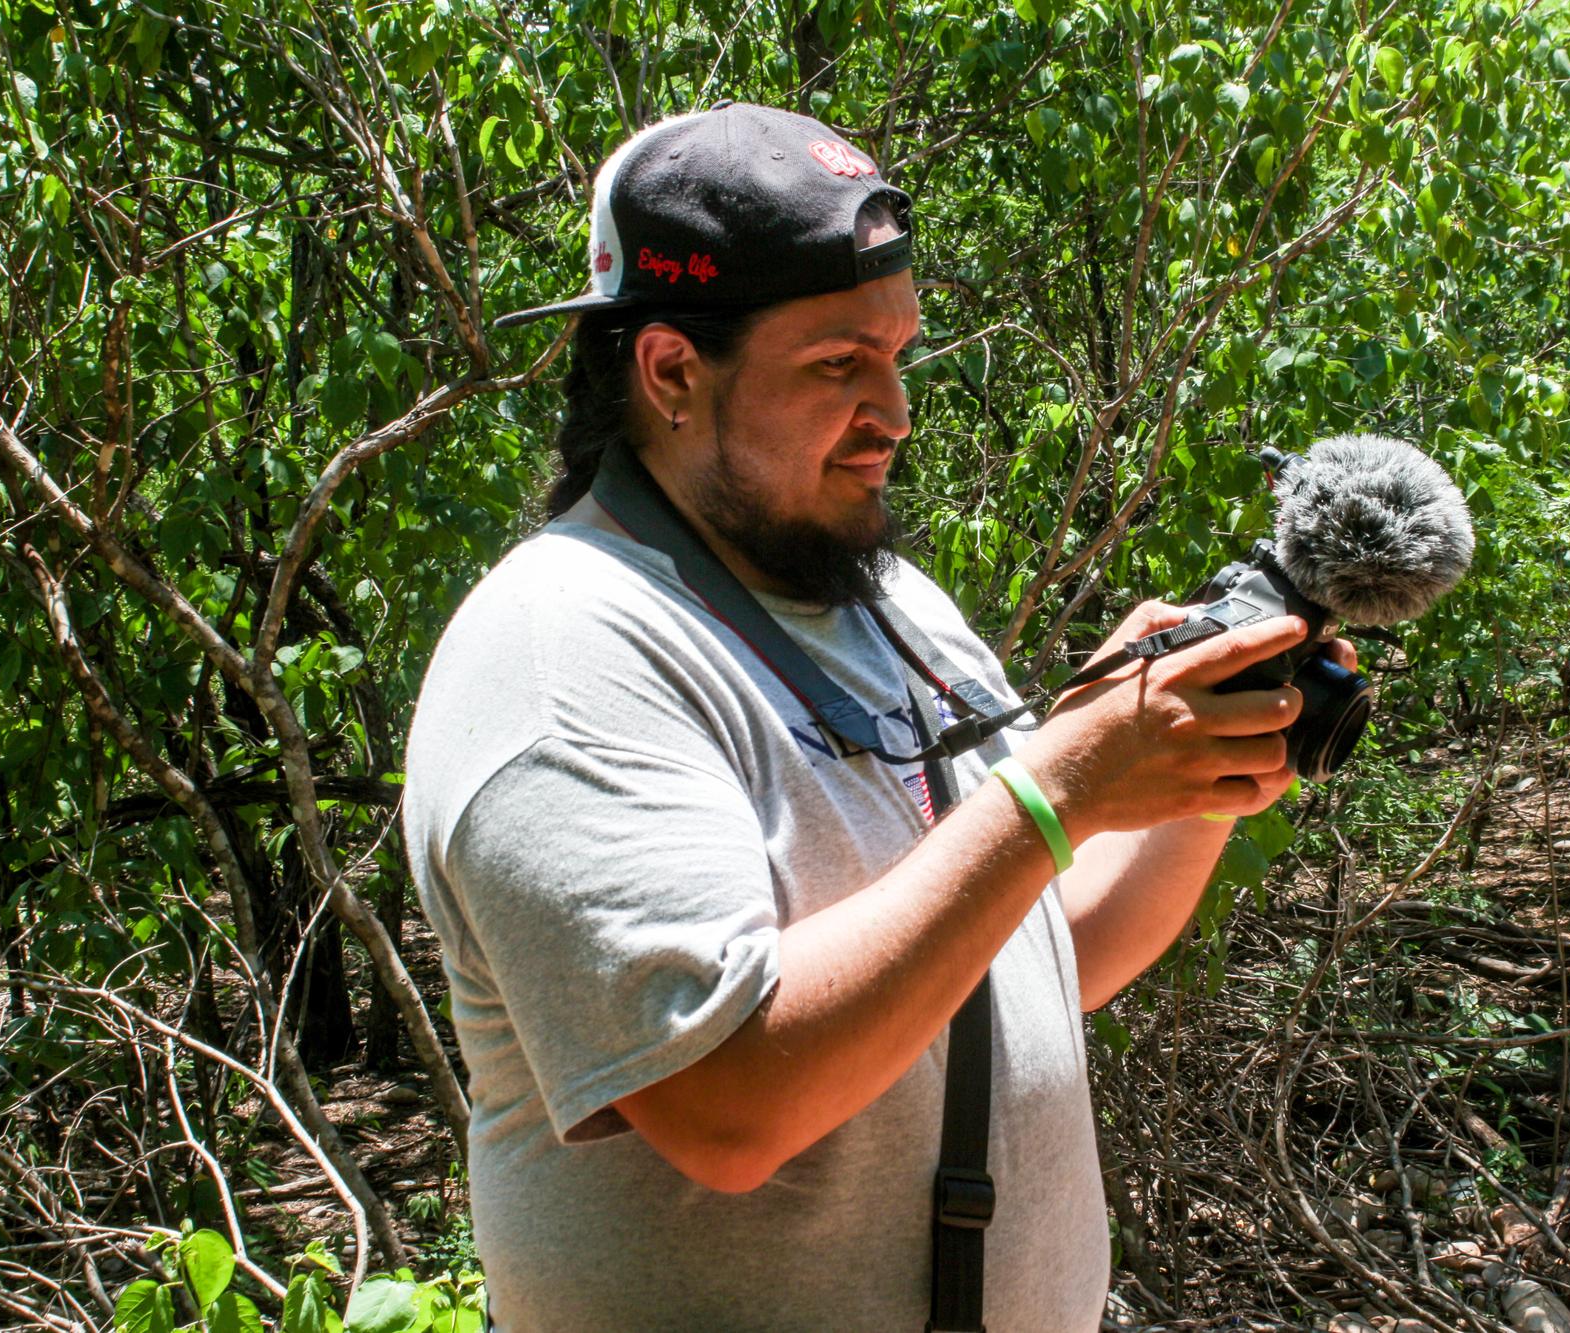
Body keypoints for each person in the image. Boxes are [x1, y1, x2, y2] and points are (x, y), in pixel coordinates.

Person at [403, 101, 1347, 1331]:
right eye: (838, 363)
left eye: (898, 353)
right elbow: (728, 1100)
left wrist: (1205, 748)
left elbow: (1052, 951)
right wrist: (1060, 782)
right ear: (672, 370)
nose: (894, 410)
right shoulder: (563, 650)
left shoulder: (879, 596)